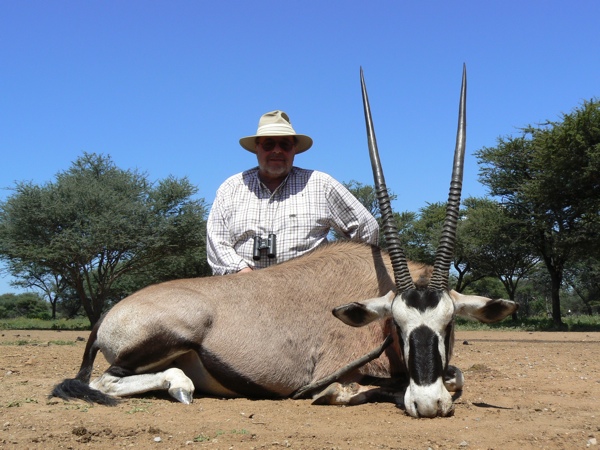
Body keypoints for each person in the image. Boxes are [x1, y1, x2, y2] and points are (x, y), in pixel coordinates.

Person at [207, 110, 379, 275]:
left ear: (294, 149)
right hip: (243, 288)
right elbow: (217, 242)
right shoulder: (230, 188)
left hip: (311, 288)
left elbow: (367, 228)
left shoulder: (321, 184)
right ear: (257, 147)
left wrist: (349, 273)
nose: (277, 150)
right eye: (268, 144)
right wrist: (244, 275)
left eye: (285, 144)